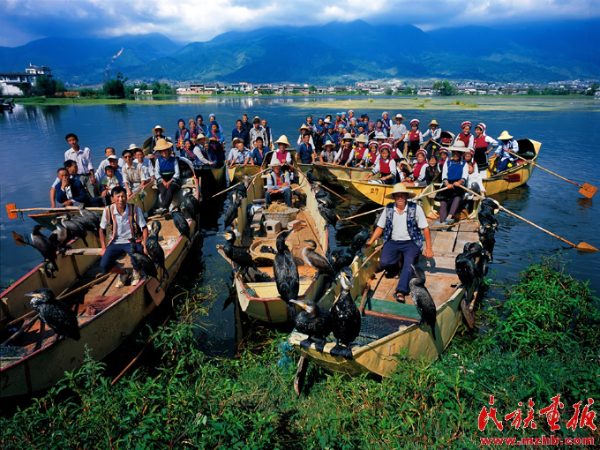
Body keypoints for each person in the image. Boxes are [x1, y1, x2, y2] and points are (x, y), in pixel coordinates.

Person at [365, 183, 433, 303]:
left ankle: (401, 291)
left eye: (402, 195)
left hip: (411, 242)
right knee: (384, 263)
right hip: (392, 241)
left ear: (406, 196)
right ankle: (398, 267)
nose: (400, 198)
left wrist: (429, 248)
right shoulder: (388, 209)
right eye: (397, 196)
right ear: (394, 197)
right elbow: (380, 227)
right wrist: (371, 241)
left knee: (409, 264)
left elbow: (425, 228)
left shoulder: (416, 209)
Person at [99, 186, 149, 288]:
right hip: (115, 242)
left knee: (138, 256)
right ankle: (123, 273)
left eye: (123, 196)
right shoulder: (108, 210)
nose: (121, 199)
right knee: (104, 264)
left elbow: (144, 228)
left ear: (126, 197)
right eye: (118, 197)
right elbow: (101, 229)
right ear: (112, 199)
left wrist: (145, 246)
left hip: (132, 240)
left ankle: (135, 272)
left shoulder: (135, 209)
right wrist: (103, 248)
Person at [437, 141, 469, 226]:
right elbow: (444, 175)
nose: (455, 155)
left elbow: (464, 176)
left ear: (461, 154)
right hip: (447, 184)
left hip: (458, 185)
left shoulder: (464, 164)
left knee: (457, 198)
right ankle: (442, 222)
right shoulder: (448, 162)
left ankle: (450, 217)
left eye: (457, 153)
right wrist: (447, 184)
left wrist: (459, 182)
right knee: (443, 201)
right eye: (454, 153)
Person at [153, 139, 180, 214]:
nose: (164, 152)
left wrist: (170, 181)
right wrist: (163, 181)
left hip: (173, 180)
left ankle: (163, 207)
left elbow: (177, 173)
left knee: (170, 189)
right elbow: (157, 173)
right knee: (163, 190)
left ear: (168, 151)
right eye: (162, 151)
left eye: (165, 150)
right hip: (162, 179)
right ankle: (165, 208)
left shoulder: (174, 160)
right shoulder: (158, 160)